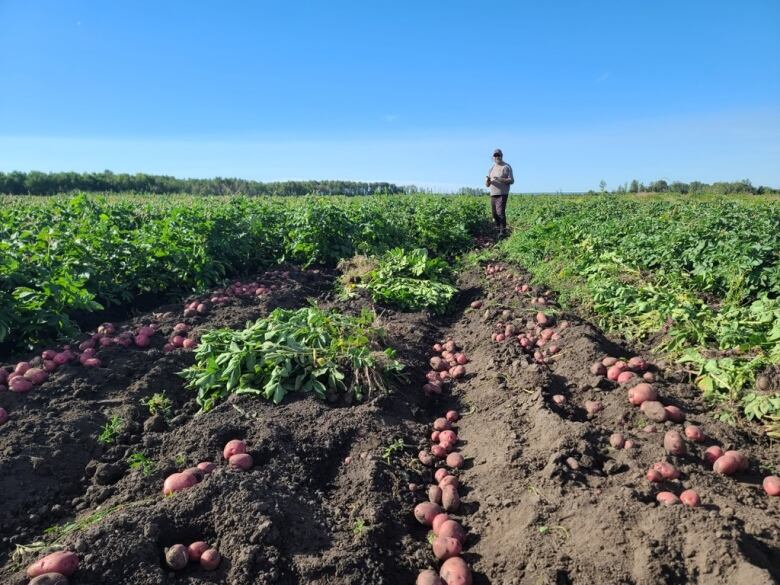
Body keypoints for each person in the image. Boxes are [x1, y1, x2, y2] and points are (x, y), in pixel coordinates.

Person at [485, 148, 514, 238]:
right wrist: (488, 181)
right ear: (493, 157)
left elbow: (511, 180)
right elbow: (487, 185)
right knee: (494, 213)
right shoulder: (491, 168)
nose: (497, 157)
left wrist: (500, 179)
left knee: (500, 212)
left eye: (498, 155)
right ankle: (498, 229)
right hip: (493, 193)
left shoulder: (506, 167)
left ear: (502, 156)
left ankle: (503, 232)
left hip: (502, 193)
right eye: (495, 155)